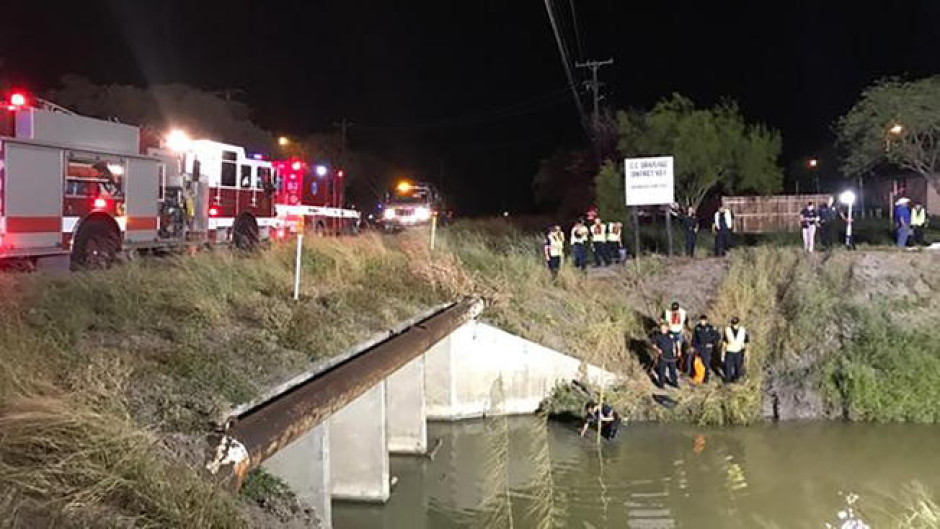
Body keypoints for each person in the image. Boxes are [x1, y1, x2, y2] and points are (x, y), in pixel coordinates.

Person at [691, 314, 721, 382]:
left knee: (706, 363)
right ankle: (699, 376)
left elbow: (717, 336)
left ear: (706, 321)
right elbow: (694, 338)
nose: (702, 322)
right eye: (701, 321)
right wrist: (693, 346)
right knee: (698, 362)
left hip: (707, 348)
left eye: (703, 321)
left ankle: (706, 378)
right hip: (699, 347)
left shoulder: (710, 328)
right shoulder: (697, 328)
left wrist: (712, 344)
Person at [722, 316, 749, 383]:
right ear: (731, 323)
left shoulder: (742, 330)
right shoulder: (727, 330)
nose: (734, 325)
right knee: (728, 366)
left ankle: (737, 379)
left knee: (738, 366)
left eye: (736, 324)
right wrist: (723, 353)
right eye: (733, 323)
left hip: (738, 351)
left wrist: (747, 352)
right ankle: (727, 380)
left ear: (738, 323)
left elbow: (746, 342)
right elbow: (724, 341)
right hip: (729, 350)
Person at [652, 323, 679, 389]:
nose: (662, 329)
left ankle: (675, 383)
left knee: (673, 370)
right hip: (663, 356)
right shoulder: (657, 336)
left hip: (672, 356)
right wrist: (658, 349)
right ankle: (661, 385)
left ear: (667, 328)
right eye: (661, 328)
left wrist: (679, 350)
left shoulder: (671, 334)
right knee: (662, 371)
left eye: (664, 328)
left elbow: (677, 342)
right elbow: (653, 345)